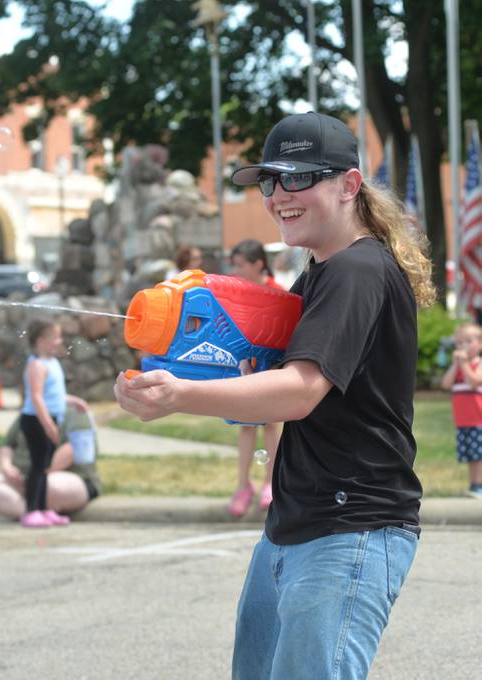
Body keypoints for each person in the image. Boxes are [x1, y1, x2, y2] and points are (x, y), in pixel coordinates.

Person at [114, 111, 436, 679]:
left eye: (297, 177)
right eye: (269, 181)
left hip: (349, 528)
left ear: (349, 185)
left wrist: (181, 394)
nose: (277, 195)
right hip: (299, 523)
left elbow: (301, 391)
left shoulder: (355, 269)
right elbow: (280, 383)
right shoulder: (317, 274)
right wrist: (202, 367)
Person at [227, 239, 283, 516]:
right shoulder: (237, 294)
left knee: (272, 424)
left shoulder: (278, 293)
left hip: (271, 369)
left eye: (240, 265)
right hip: (245, 368)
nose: (236, 271)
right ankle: (242, 485)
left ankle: (270, 483)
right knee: (246, 425)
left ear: (258, 264)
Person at [0, 399, 102, 519]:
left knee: (50, 486)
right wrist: (7, 468)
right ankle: (31, 513)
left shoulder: (75, 410)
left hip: (63, 478)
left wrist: (37, 477)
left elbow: (72, 449)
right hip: (22, 479)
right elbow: (8, 445)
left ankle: (33, 509)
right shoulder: (29, 411)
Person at [18, 317, 82, 528]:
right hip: (36, 420)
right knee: (37, 467)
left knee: (45, 468)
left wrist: (73, 400)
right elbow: (36, 397)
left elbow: (53, 394)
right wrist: (48, 425)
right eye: (54, 337)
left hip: (49, 418)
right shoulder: (37, 365)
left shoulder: (52, 362)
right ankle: (31, 510)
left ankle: (44, 509)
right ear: (39, 341)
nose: (58, 341)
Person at [440, 322, 482, 499]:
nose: (463, 346)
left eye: (468, 341)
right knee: (471, 457)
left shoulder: (479, 364)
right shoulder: (458, 367)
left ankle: (479, 485)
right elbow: (446, 384)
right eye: (459, 343)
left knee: (479, 456)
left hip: (478, 420)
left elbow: (474, 382)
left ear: (480, 343)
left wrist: (464, 364)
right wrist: (456, 365)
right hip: (463, 421)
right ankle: (474, 485)